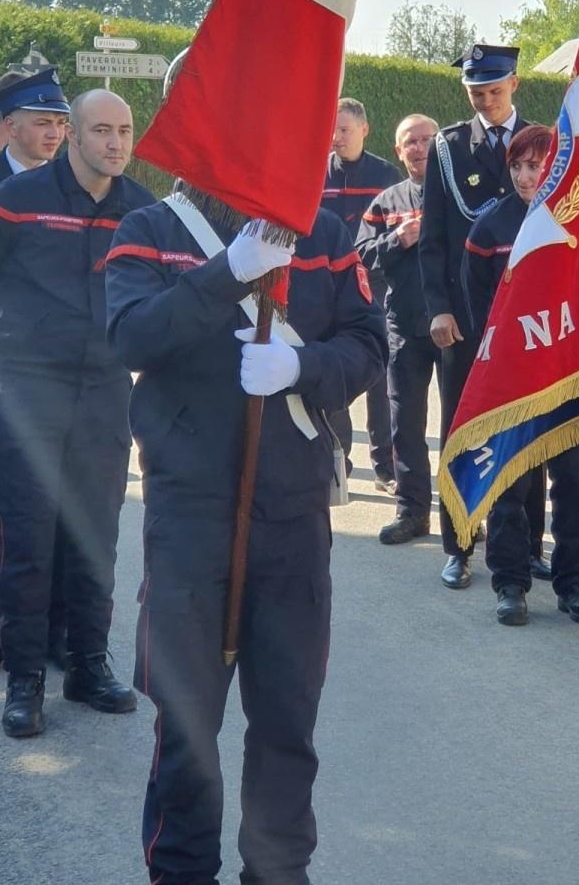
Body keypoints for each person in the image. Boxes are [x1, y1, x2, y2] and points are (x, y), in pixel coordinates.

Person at [105, 190, 387, 885]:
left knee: (288, 724)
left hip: (292, 517)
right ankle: (181, 873)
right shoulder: (152, 227)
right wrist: (224, 273)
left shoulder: (320, 230)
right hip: (191, 517)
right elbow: (131, 335)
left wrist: (303, 369)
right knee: (187, 726)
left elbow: (368, 342)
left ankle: (278, 871)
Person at [0, 87, 153, 738]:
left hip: (106, 396)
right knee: (27, 541)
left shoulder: (140, 211)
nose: (115, 143)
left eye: (124, 131)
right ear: (74, 137)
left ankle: (86, 665)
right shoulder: (12, 201)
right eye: (100, 131)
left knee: (96, 538)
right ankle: (25, 679)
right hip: (27, 397)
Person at [463, 125, 579, 626]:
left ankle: (575, 581)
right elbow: (479, 305)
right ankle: (509, 581)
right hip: (514, 382)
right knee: (511, 485)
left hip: (568, 377)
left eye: (536, 165)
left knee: (575, 484)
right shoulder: (489, 229)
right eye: (519, 166)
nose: (527, 176)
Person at [418, 43, 545, 589]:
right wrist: (438, 309)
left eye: (494, 91)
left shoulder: (543, 144)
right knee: (462, 430)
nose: (486, 101)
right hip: (466, 320)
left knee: (532, 428)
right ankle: (459, 543)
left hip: (530, 323)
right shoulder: (448, 147)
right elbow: (432, 239)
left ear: (514, 84)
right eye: (476, 93)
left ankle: (528, 544)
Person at [0, 67, 71, 678]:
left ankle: (60, 635)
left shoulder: (82, 185)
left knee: (65, 510)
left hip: (68, 378)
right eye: (42, 121)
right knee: (0, 510)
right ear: (8, 125)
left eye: (61, 123)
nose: (54, 133)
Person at [356, 114, 442, 545]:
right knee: (405, 423)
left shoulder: (457, 193)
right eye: (412, 141)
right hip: (404, 326)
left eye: (428, 139)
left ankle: (467, 515)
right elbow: (361, 253)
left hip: (454, 325)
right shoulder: (387, 201)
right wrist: (398, 239)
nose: (421, 147)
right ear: (399, 150)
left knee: (461, 425)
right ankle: (412, 512)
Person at [322, 98, 401, 489]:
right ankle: (340, 463)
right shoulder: (317, 175)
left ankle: (385, 467)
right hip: (328, 289)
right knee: (334, 373)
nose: (336, 137)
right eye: (332, 130)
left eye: (344, 130)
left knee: (379, 379)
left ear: (365, 130)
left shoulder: (386, 176)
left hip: (376, 287)